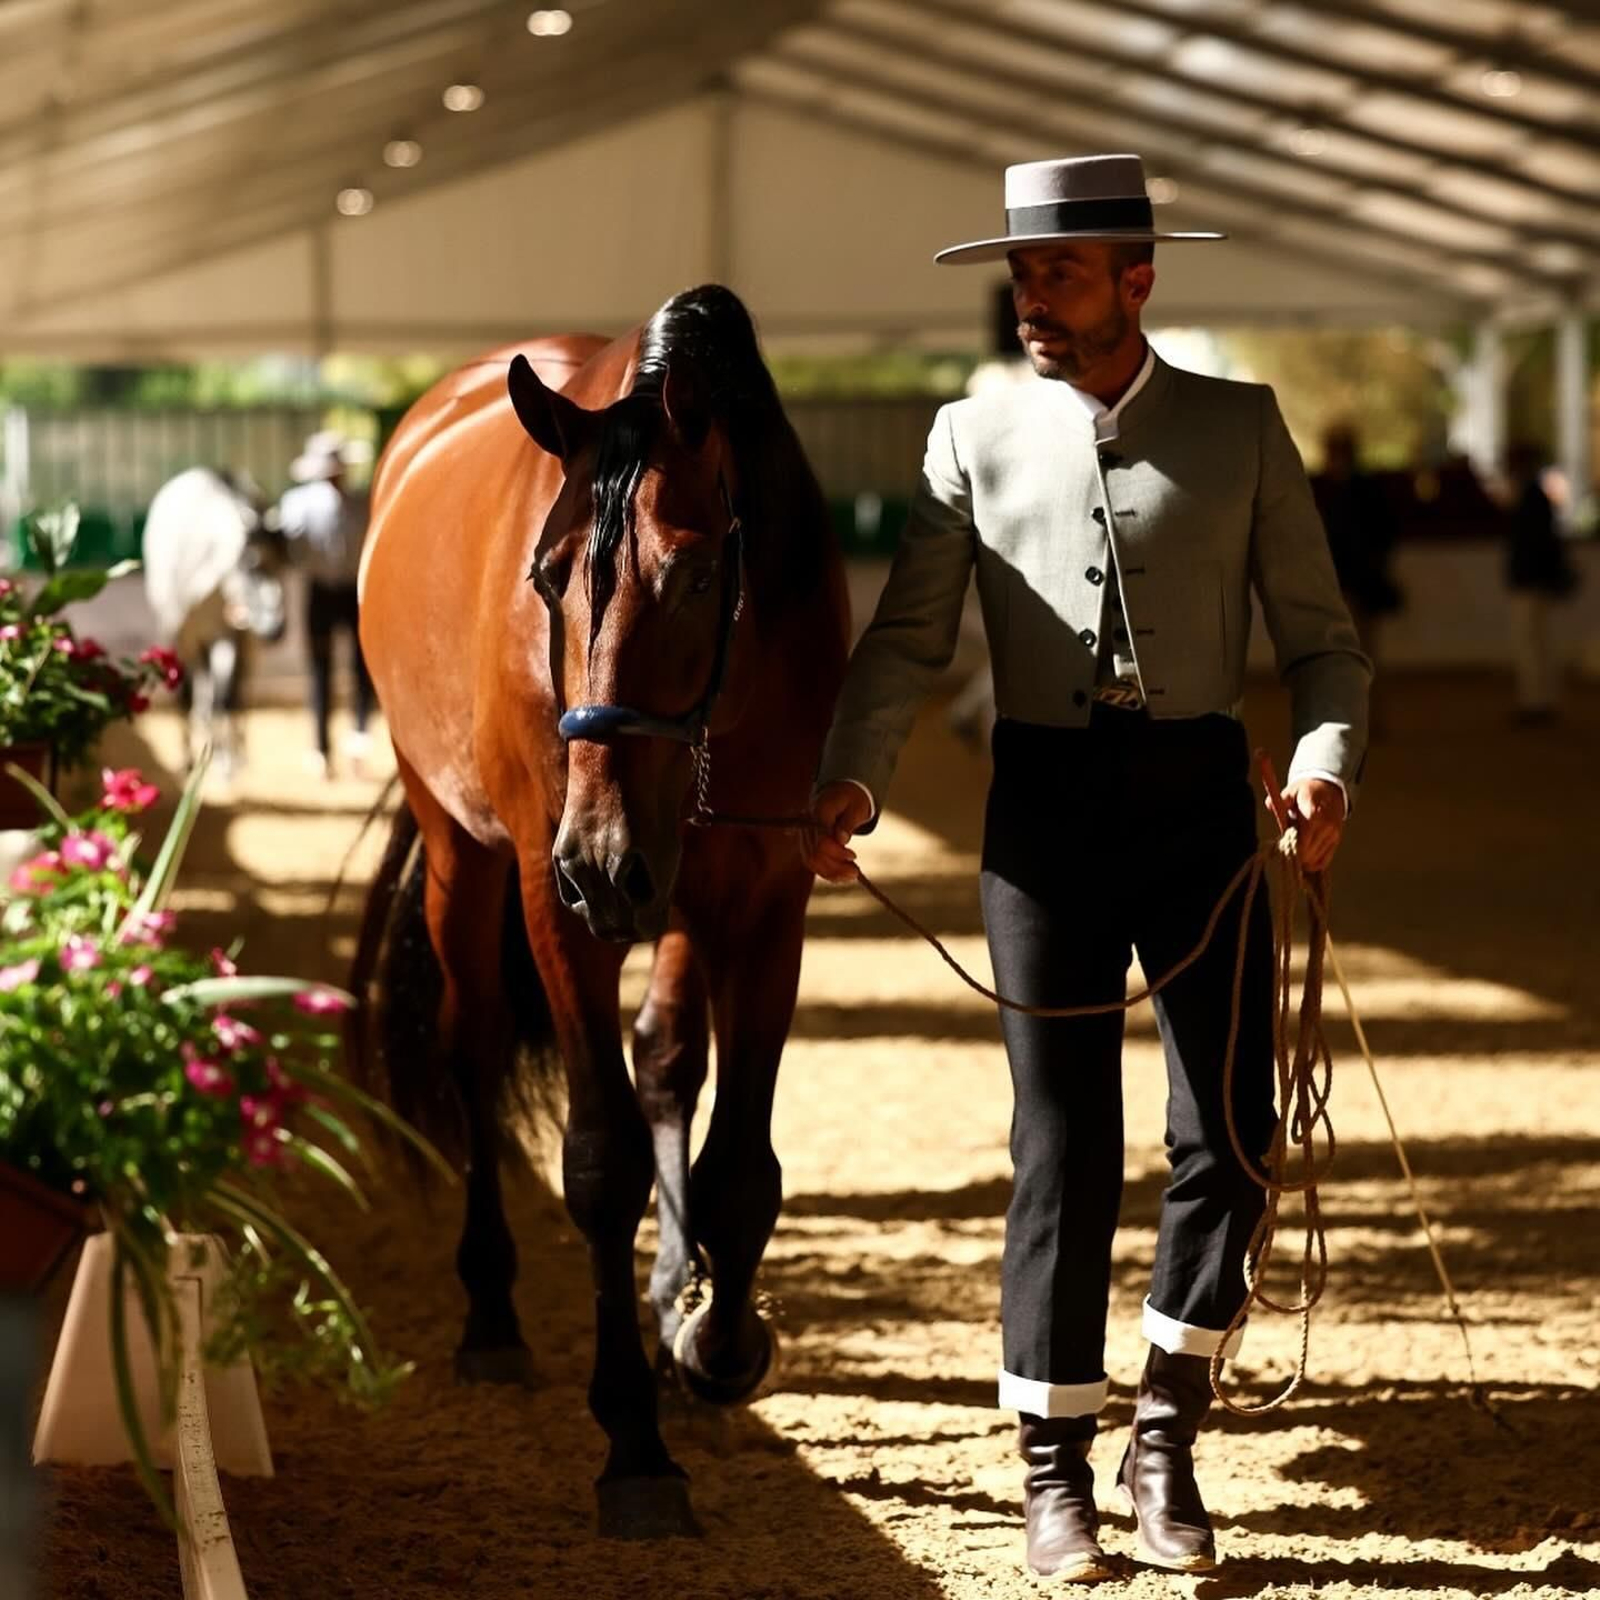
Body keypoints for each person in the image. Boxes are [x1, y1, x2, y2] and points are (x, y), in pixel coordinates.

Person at [803, 154, 1370, 1581]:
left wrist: (1321, 770)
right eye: (1022, 274)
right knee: (1060, 1145)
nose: (1031, 298)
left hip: (1202, 810)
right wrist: (852, 778)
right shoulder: (967, 438)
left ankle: (1167, 1430)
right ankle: (1052, 1463)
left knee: (1232, 1135)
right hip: (1044, 820)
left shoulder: (1240, 430)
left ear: (1140, 280)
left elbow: (1323, 646)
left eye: (1059, 272)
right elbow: (906, 644)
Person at [277, 430, 374, 777]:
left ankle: (353, 738)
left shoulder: (356, 502)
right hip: (325, 590)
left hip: (350, 591)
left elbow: (283, 547)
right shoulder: (304, 503)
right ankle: (325, 745)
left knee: (356, 668)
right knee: (325, 669)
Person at [1311, 422, 1403, 732]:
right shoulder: (1333, 489)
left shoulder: (1355, 490)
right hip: (1340, 585)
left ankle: (1367, 719)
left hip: (1357, 585)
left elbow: (1382, 536)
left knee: (1361, 656)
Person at [1503, 441, 1579, 726]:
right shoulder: (1533, 497)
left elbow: (1535, 544)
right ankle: (1539, 700)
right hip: (1533, 581)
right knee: (1537, 642)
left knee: (1531, 643)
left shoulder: (1531, 498)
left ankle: (1536, 702)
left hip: (1530, 582)